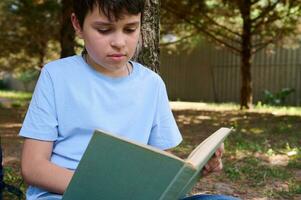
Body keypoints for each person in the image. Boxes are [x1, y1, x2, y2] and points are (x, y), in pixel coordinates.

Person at [19, 0, 238, 199]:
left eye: (130, 29)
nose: (119, 42)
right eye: (104, 30)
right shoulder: (56, 76)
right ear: (77, 25)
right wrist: (108, 192)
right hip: (66, 194)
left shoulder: (151, 84)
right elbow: (33, 167)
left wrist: (196, 171)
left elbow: (157, 166)